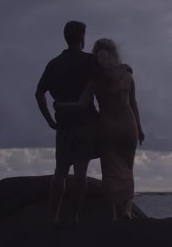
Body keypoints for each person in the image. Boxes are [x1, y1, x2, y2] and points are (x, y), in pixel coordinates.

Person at [56, 38, 145, 221]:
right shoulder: (128, 75)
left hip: (107, 126)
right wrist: (140, 128)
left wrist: (60, 105)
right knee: (128, 168)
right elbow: (133, 103)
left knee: (110, 169)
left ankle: (112, 213)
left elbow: (81, 104)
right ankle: (127, 209)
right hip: (129, 125)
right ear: (115, 54)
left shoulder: (95, 80)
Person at [35, 20, 99, 226]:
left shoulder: (54, 64)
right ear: (82, 38)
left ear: (66, 37)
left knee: (60, 172)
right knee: (81, 171)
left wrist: (49, 120)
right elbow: (110, 76)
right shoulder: (90, 61)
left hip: (63, 124)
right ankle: (74, 216)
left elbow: (39, 94)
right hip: (87, 122)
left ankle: (53, 217)